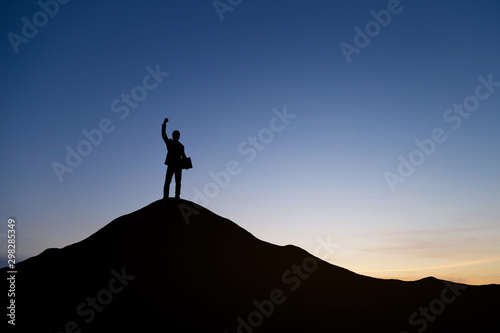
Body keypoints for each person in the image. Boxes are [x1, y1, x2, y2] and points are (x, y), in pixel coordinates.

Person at [162, 118, 186, 199]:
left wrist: (186, 164)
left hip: (178, 166)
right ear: (173, 136)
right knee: (168, 181)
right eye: (175, 135)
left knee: (177, 181)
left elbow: (184, 156)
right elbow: (164, 135)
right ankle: (166, 197)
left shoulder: (181, 146)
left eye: (177, 135)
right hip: (171, 164)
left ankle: (177, 196)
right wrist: (164, 124)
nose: (176, 136)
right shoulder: (170, 143)